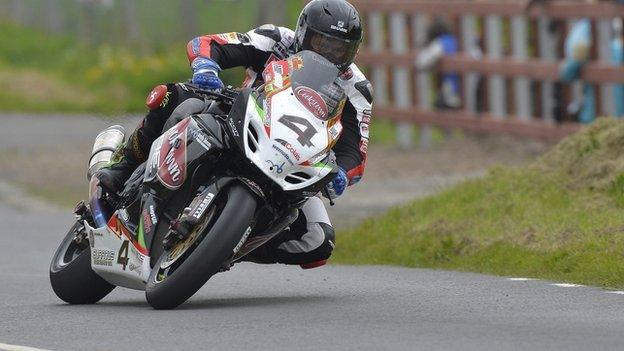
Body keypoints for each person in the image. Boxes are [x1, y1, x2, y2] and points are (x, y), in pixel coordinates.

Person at [96, 0, 373, 269]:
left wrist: (342, 174)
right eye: (322, 42)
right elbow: (208, 44)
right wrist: (206, 65)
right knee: (177, 98)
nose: (329, 53)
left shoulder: (356, 88)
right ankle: (124, 166)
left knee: (318, 242)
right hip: (236, 118)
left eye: (340, 49)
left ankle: (225, 247)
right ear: (304, 32)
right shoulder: (276, 39)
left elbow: (355, 153)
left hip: (294, 159)